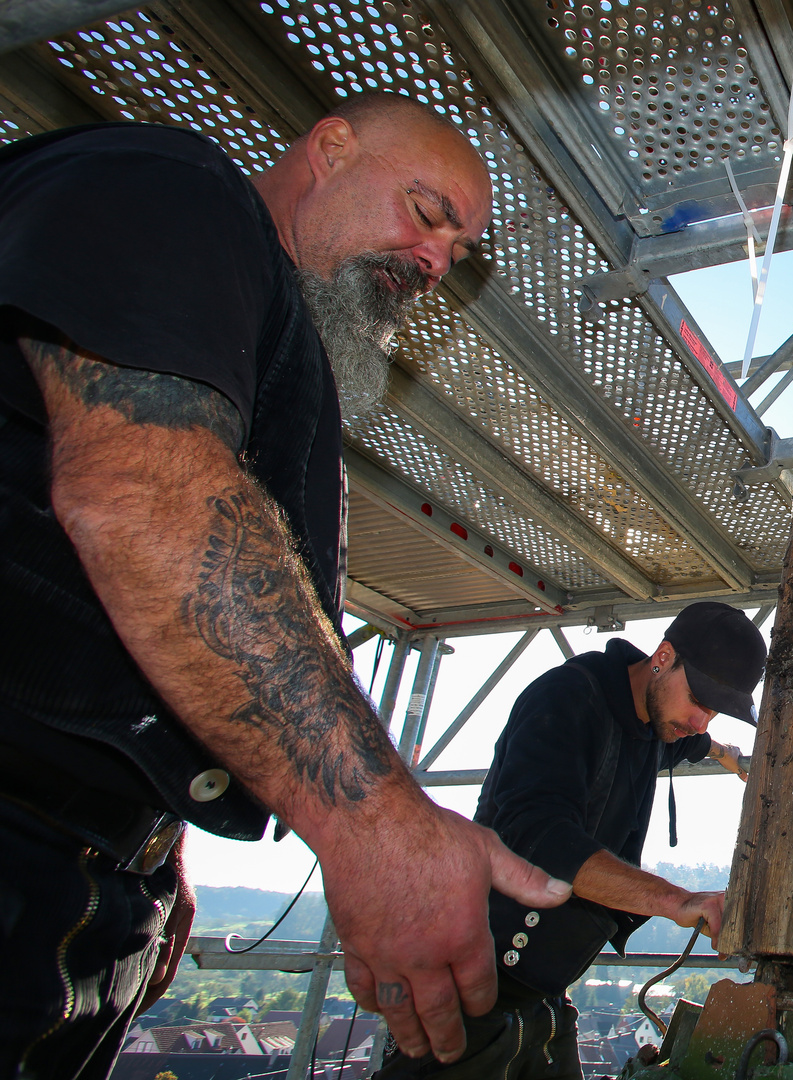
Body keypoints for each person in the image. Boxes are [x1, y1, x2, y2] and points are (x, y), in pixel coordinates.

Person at [0, 93, 572, 1080]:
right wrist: (376, 825)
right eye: (428, 213)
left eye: (459, 252)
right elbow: (144, 497)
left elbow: (113, 616)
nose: (436, 260)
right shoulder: (173, 188)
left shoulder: (255, 331)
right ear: (332, 148)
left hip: (74, 867)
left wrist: (149, 832)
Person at [375, 601, 764, 1080]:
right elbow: (539, 835)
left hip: (542, 998)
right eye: (700, 700)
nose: (702, 720)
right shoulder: (566, 699)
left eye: (716, 710)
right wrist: (676, 900)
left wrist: (735, 757)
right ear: (663, 656)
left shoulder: (657, 721)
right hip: (467, 991)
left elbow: (694, 742)